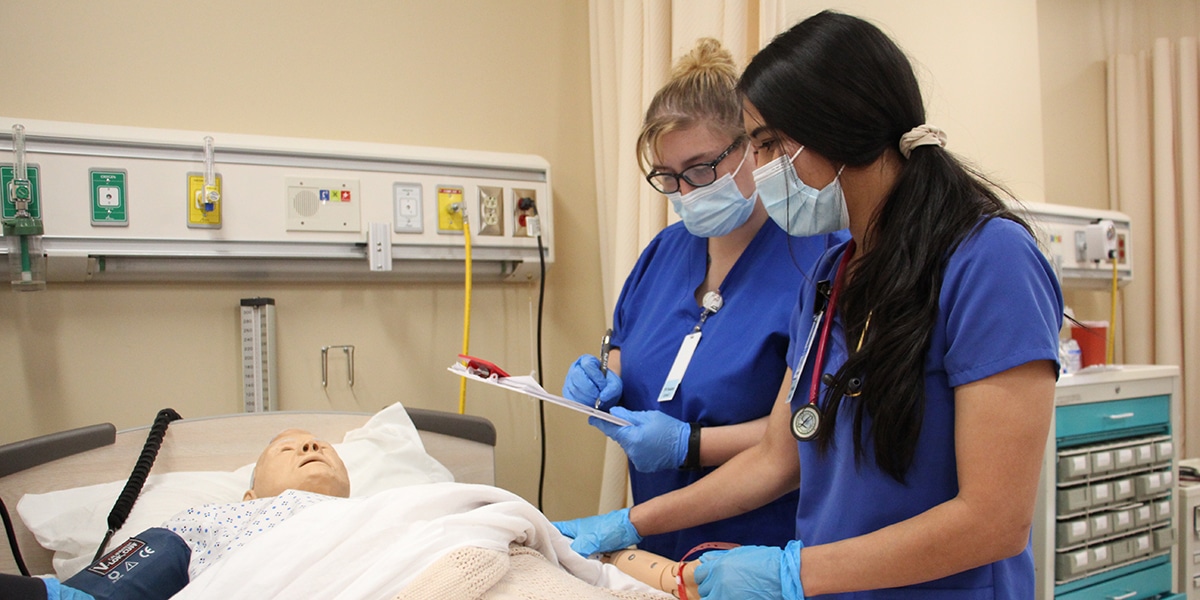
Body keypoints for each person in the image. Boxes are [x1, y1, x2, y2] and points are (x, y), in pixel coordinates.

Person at [554, 11, 1063, 599]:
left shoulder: (989, 260)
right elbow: (777, 456)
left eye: (770, 144)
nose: (764, 167)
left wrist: (792, 574)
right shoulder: (832, 277)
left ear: (841, 129)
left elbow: (994, 520)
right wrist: (627, 524)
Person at [558, 37, 845, 561]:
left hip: (762, 551)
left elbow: (806, 429)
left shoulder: (820, 258)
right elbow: (629, 348)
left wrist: (689, 444)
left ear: (750, 147)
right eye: (668, 178)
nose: (686, 193)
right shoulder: (662, 255)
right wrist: (606, 378)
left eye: (700, 169)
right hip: (654, 547)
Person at [6, 429, 353, 600]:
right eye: (287, 449)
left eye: (323, 447)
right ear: (250, 497)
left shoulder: (390, 509)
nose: (311, 447)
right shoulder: (214, 520)